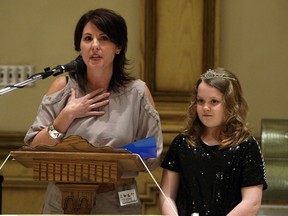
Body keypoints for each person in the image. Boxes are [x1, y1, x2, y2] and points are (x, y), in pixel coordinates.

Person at [24, 8, 163, 215]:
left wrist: (105, 162)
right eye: (88, 38)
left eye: (104, 38)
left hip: (115, 200)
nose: (94, 46)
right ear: (80, 46)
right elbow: (34, 149)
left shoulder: (137, 92)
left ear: (118, 47)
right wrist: (65, 117)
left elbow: (153, 152)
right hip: (63, 200)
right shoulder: (62, 88)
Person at [159, 68, 267, 216]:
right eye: (200, 101)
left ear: (231, 104)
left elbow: (252, 202)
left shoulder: (246, 145)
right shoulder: (182, 143)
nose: (205, 108)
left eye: (214, 101)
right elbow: (167, 196)